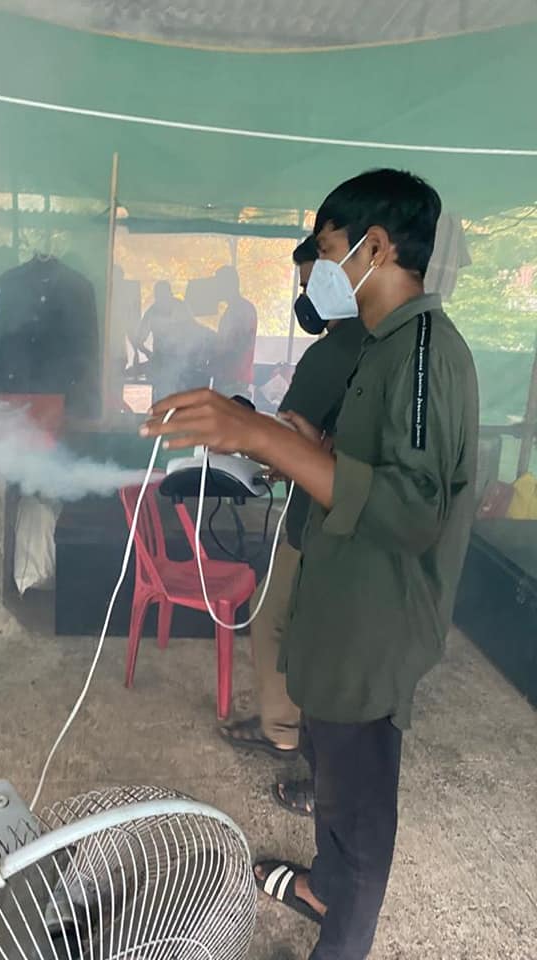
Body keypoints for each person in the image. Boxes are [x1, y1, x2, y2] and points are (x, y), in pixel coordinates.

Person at [140, 168, 479, 960]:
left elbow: (413, 512)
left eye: (328, 251)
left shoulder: (423, 353)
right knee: (329, 772)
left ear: (376, 247)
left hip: (374, 625)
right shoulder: (380, 347)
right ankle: (324, 884)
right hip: (339, 607)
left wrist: (264, 438)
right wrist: (299, 443)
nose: (320, 270)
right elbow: (358, 464)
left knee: (360, 813)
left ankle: (343, 936)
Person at [220, 235, 366, 824]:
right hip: (339, 523)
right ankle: (285, 729)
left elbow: (292, 444)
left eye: (313, 281)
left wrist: (249, 435)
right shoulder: (384, 347)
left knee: (296, 634)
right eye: (303, 285)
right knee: (292, 626)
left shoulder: (335, 353)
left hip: (323, 524)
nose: (306, 296)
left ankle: (313, 763)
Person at [136, 281, 212, 402]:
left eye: (165, 295)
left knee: (180, 394)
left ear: (170, 294)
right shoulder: (151, 313)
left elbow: (194, 328)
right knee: (161, 395)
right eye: (160, 296)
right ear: (156, 297)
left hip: (183, 362)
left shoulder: (181, 307)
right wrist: (149, 354)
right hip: (161, 363)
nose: (163, 300)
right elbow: (139, 340)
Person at [211, 266, 258, 397]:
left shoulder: (241, 310)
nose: (216, 289)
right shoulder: (236, 309)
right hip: (230, 378)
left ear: (228, 285)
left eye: (218, 284)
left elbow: (237, 345)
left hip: (234, 379)